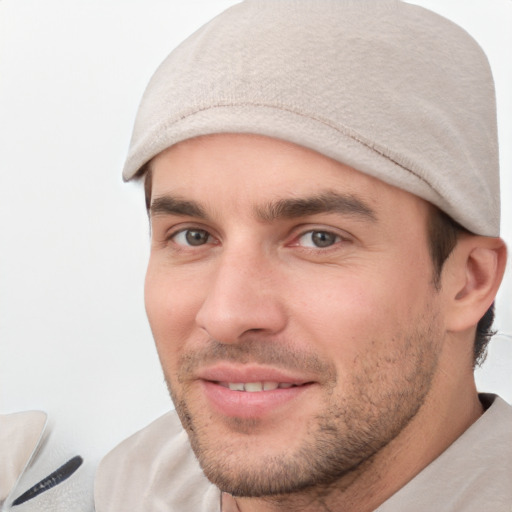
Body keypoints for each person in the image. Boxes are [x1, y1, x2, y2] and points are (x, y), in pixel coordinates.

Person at [94, 1, 511, 510]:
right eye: (193, 237)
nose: (226, 316)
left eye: (319, 239)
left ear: (467, 281)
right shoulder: (125, 486)